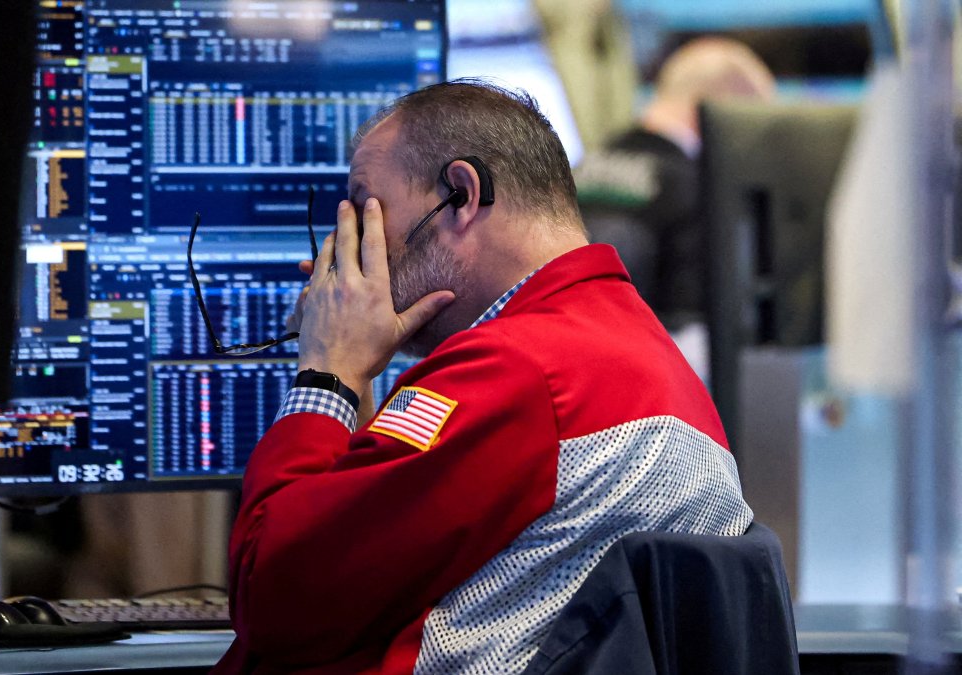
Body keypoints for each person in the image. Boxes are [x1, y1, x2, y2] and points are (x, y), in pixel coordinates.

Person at [212, 80, 753, 674]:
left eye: (365, 213)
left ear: (462, 195)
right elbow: (379, 567)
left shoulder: (515, 373)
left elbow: (274, 596)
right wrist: (361, 381)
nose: (344, 257)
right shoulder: (622, 350)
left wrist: (325, 375)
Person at [573, 38, 775, 376]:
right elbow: (693, 340)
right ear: (719, 110)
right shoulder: (698, 189)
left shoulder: (580, 168)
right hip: (644, 387)